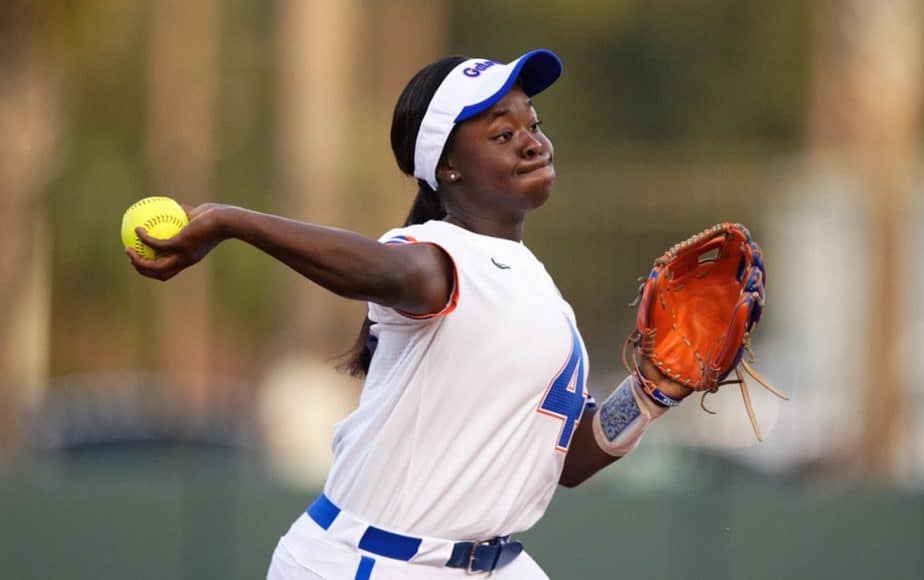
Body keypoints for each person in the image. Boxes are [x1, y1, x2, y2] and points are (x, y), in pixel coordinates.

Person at [127, 49, 693, 579]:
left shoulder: (537, 289)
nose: (531, 143)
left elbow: (566, 458)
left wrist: (648, 393)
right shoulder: (439, 257)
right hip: (369, 561)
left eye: (534, 125)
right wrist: (233, 222)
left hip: (486, 562)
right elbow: (385, 272)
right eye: (503, 133)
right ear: (447, 168)